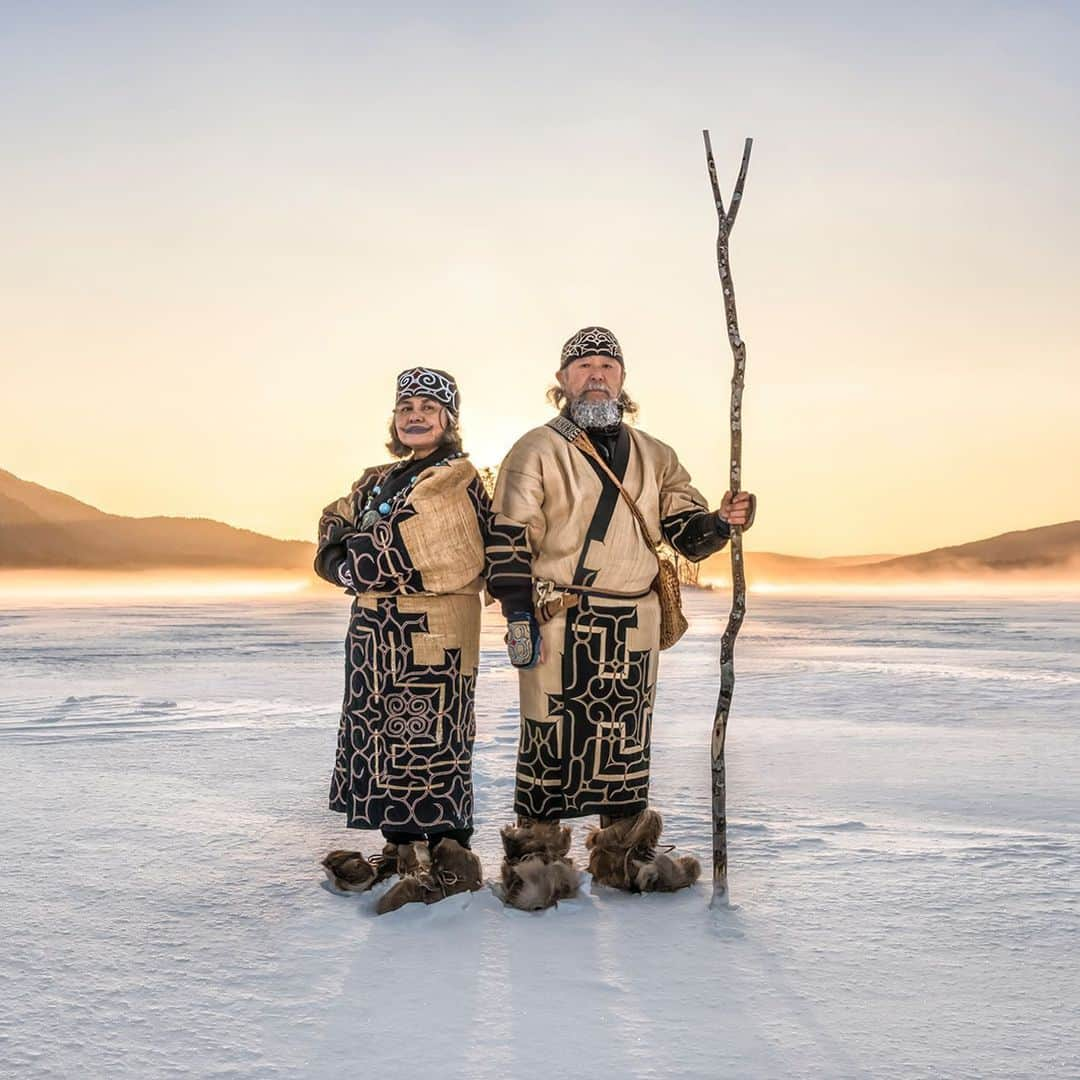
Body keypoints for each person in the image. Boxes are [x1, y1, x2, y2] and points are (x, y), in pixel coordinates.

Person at [486, 327, 757, 910]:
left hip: (633, 620)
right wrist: (516, 615)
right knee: (548, 737)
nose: (596, 374)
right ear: (561, 381)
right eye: (582, 366)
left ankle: (623, 856)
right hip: (559, 615)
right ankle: (536, 862)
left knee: (625, 743)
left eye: (606, 364)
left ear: (623, 378)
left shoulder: (656, 455)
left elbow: (686, 531)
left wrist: (722, 522)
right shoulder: (535, 448)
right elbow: (507, 540)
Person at [315, 367, 490, 914]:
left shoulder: (456, 479)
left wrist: (352, 555)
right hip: (374, 636)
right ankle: (402, 849)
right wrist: (348, 555)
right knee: (382, 741)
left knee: (429, 740)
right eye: (406, 407)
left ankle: (450, 862)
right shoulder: (378, 478)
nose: (415, 415)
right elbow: (330, 528)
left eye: (429, 408)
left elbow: (431, 552)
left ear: (448, 421)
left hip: (433, 634)